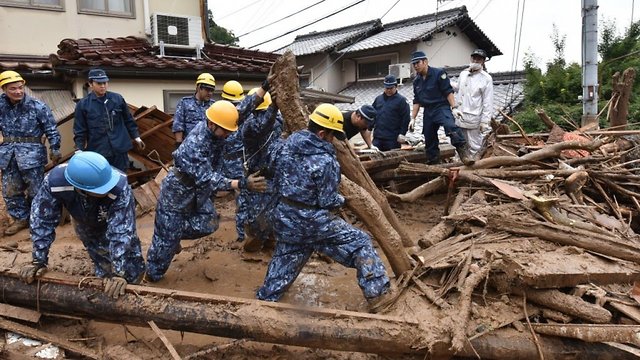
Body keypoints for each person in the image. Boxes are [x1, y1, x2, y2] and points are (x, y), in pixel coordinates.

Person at [256, 103, 395, 312]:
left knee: (286, 260)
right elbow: (327, 201)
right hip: (313, 222)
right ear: (322, 133)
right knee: (361, 242)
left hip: (285, 217)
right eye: (332, 136)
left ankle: (263, 304)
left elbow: (271, 175)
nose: (333, 141)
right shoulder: (325, 161)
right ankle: (379, 297)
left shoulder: (283, 145)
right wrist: (342, 200)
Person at [146, 100, 266, 282]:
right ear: (211, 124)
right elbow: (209, 179)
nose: (227, 135)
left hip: (197, 191)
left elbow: (238, 113)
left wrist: (264, 88)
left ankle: (171, 233)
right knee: (164, 245)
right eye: (224, 131)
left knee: (209, 222)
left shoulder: (216, 127)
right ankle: (152, 276)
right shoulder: (196, 144)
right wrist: (242, 183)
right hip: (177, 192)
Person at [18, 151, 146, 299]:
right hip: (84, 222)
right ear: (80, 188)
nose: (106, 190)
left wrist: (119, 272)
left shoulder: (119, 186)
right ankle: (105, 287)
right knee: (99, 253)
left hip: (112, 219)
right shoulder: (54, 182)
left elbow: (121, 231)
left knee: (130, 261)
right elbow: (41, 221)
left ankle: (135, 285)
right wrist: (38, 260)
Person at [0, 70, 62, 236]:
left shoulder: (37, 107)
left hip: (32, 156)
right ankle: (21, 219)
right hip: (8, 156)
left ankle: (38, 221)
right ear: (4, 89)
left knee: (37, 191)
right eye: (13, 88)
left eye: (20, 87)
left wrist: (55, 149)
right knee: (10, 191)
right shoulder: (1, 106)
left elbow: (51, 129)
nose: (18, 91)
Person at [74, 68, 145, 172]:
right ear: (90, 84)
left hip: (119, 148)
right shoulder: (83, 105)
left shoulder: (117, 99)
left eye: (105, 83)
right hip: (98, 150)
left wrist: (136, 137)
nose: (103, 86)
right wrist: (79, 148)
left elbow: (129, 120)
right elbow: (80, 129)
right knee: (102, 180)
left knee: (121, 177)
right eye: (99, 83)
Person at [409, 51, 473, 165]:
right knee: (429, 136)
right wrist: (412, 118)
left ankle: (464, 153)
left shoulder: (439, 73)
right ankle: (433, 161)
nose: (415, 66)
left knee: (451, 126)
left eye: (417, 62)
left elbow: (448, 91)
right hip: (428, 110)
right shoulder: (416, 81)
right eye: (413, 64)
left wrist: (454, 108)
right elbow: (417, 100)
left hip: (441, 107)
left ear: (425, 61)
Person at [240, 87, 282, 252]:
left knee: (275, 209)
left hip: (275, 173)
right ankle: (254, 239)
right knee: (258, 213)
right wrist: (274, 107)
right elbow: (261, 127)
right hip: (259, 175)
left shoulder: (276, 121)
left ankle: (270, 239)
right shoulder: (250, 124)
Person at [453, 49, 494, 157]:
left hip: (474, 118)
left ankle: (475, 168)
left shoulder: (486, 78)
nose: (475, 60)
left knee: (474, 146)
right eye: (474, 58)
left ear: (483, 61)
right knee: (460, 145)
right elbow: (458, 88)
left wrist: (485, 121)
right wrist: (444, 82)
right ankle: (460, 168)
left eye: (478, 59)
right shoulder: (464, 74)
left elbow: (487, 101)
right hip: (460, 116)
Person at [172, 73, 216, 150]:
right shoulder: (185, 103)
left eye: (212, 90)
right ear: (199, 88)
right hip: (189, 147)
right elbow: (178, 125)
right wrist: (179, 145)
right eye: (207, 90)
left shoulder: (214, 106)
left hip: (208, 148)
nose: (210, 93)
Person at [371, 75, 411, 151]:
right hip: (378, 137)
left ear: (396, 87)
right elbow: (372, 114)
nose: (388, 90)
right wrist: (369, 128)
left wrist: (402, 133)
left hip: (392, 139)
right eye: (387, 88)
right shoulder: (378, 99)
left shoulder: (402, 101)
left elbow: (406, 118)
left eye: (391, 88)